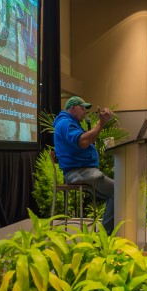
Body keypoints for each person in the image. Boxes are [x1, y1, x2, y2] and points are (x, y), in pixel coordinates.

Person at [53, 95, 114, 235]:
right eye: (82, 108)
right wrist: (101, 123)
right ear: (73, 108)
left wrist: (97, 127)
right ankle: (104, 237)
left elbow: (86, 141)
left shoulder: (71, 123)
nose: (85, 111)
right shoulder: (65, 123)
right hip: (77, 172)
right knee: (118, 191)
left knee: (114, 193)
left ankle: (106, 235)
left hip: (82, 171)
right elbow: (82, 141)